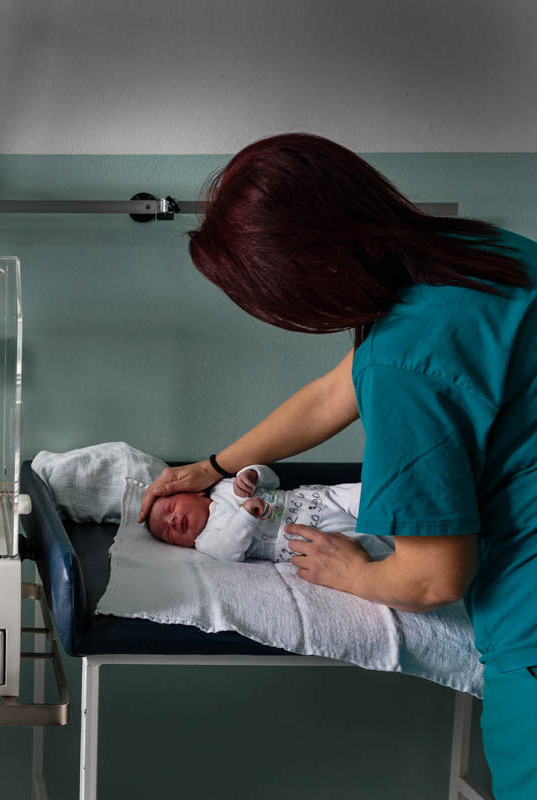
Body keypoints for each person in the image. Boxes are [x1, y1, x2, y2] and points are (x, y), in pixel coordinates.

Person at [137, 133, 537, 798]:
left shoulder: (403, 360)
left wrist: (353, 573)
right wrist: (211, 465)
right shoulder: (472, 252)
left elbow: (435, 576)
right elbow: (335, 392)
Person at [146, 464, 392, 563]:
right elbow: (228, 551)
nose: (173, 521)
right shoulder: (206, 541)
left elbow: (272, 481)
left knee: (373, 496)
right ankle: (403, 555)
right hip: (314, 536)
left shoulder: (222, 487)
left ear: (194, 492)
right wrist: (245, 516)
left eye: (170, 509)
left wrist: (252, 474)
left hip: (319, 498)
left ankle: (416, 512)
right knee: (368, 547)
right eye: (167, 532)